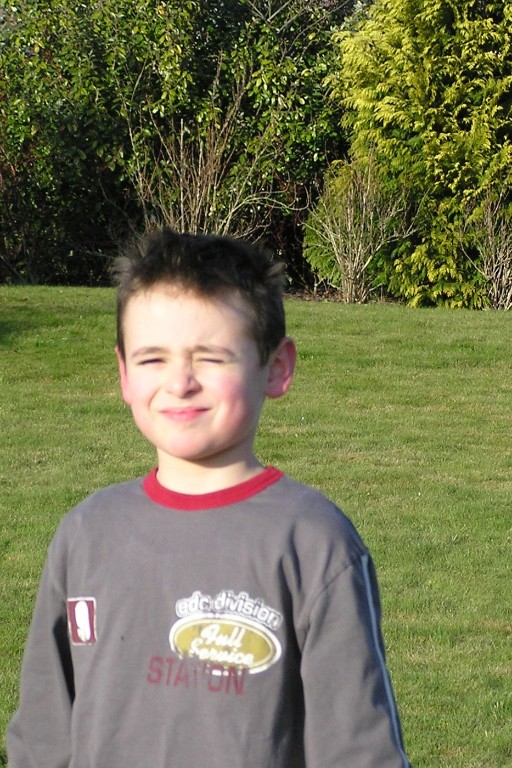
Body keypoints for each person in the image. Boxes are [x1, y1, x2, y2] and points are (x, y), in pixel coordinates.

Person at [7, 228, 411, 767]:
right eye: (153, 359)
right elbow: (42, 738)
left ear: (276, 368)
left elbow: (359, 752)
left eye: (212, 358)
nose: (180, 383)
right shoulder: (85, 534)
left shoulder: (315, 544)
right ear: (123, 373)